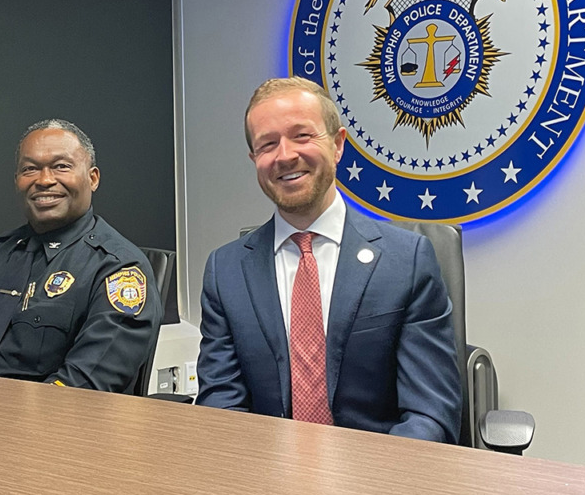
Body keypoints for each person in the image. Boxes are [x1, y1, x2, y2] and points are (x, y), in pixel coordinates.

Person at [195, 77, 462, 442]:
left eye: (302, 136)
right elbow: (221, 404)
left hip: (377, 478)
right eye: (268, 144)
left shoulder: (407, 260)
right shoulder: (225, 272)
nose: (285, 155)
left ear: (337, 145)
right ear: (255, 158)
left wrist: (371, 489)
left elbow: (429, 412)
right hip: (264, 480)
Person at [0, 119, 163, 392]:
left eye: (61, 166)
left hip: (44, 426)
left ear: (92, 178)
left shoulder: (117, 268)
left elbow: (84, 386)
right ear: (17, 180)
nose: (44, 180)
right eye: (30, 169)